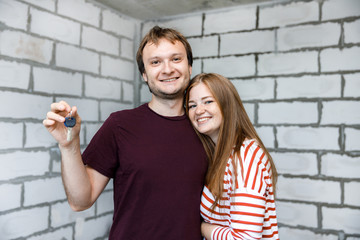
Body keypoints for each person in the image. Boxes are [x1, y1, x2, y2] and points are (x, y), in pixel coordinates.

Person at [43, 26, 208, 239]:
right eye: (155, 62)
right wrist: (69, 145)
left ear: (189, 66)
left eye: (176, 59)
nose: (167, 69)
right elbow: (80, 202)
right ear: (144, 74)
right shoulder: (120, 125)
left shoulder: (205, 128)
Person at [185, 73, 279, 240]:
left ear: (226, 105)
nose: (199, 110)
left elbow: (245, 238)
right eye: (192, 105)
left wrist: (201, 227)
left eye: (208, 101)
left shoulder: (244, 157)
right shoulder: (220, 154)